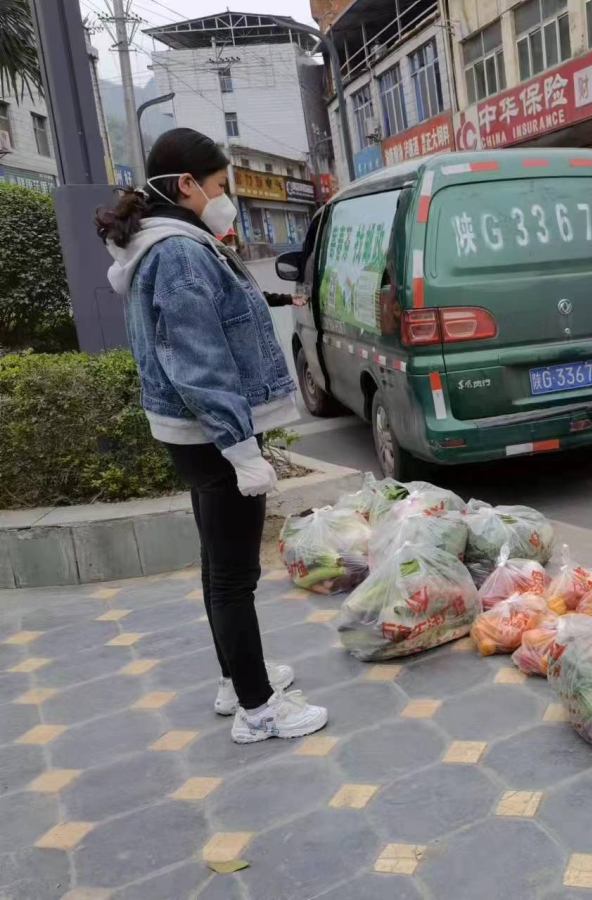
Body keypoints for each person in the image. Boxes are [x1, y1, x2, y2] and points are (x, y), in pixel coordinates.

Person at [96, 128, 329, 744]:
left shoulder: (169, 243)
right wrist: (241, 447)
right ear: (186, 186)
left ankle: (236, 679)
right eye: (220, 186)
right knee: (233, 578)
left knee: (217, 566)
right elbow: (200, 363)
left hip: (193, 434)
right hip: (208, 435)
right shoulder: (177, 253)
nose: (225, 198)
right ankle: (259, 709)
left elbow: (221, 318)